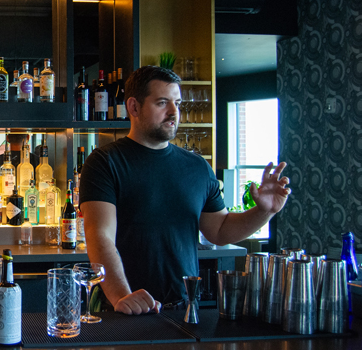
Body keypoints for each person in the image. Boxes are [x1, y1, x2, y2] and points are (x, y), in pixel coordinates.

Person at [79, 66, 290, 315]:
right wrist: (121, 296)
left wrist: (264, 211)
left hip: (184, 307)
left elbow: (220, 231)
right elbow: (99, 235)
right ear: (134, 107)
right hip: (123, 309)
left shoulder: (197, 167)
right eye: (162, 103)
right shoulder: (106, 162)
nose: (173, 112)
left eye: (177, 103)